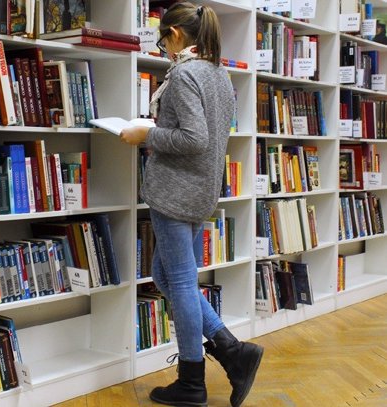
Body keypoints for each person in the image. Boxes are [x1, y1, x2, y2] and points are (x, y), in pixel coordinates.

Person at [120, 3, 264, 407]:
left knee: (179, 282)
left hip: (175, 191)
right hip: (201, 190)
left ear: (176, 35)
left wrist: (145, 135)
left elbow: (194, 139)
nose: (163, 47)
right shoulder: (218, 73)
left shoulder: (184, 75)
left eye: (162, 39)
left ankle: (192, 380)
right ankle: (232, 349)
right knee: (165, 277)